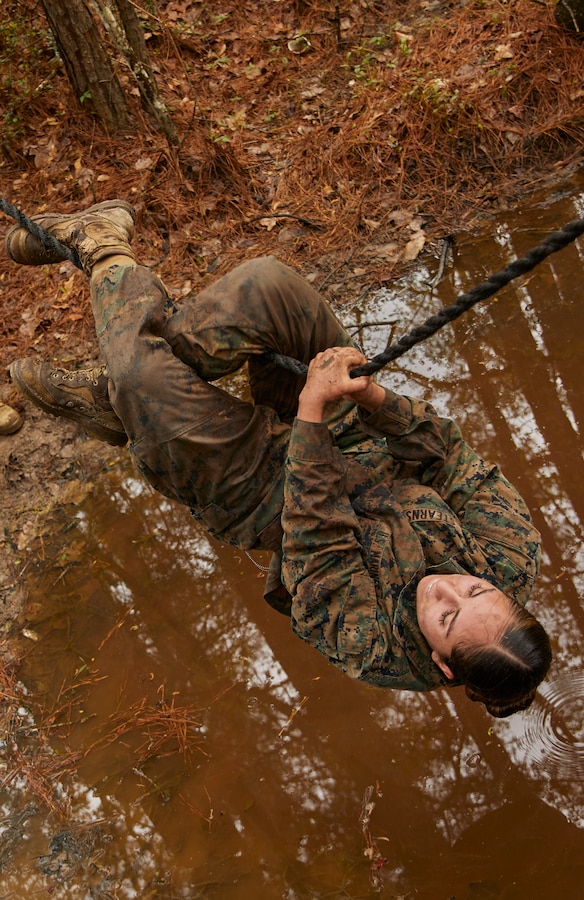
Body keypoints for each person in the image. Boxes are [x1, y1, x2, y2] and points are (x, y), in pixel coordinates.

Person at [5, 200, 552, 717]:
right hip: (355, 439)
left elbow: (319, 537)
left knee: (142, 380)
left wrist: (312, 407)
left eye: (447, 616)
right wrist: (371, 399)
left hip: (268, 501)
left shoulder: (374, 648)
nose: (447, 587)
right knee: (272, 289)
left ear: (440, 662)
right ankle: (114, 403)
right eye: (475, 588)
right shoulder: (511, 554)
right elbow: (449, 459)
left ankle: (101, 248)